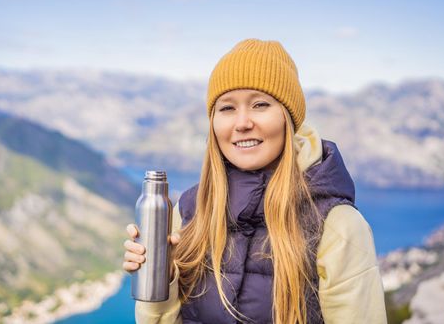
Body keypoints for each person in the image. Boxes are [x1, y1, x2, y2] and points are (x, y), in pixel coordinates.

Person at [123, 39, 387, 324]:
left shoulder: (337, 225)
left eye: (260, 104)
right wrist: (162, 280)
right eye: (226, 108)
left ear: (288, 118)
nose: (242, 122)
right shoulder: (189, 210)